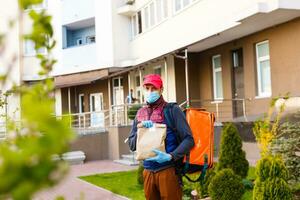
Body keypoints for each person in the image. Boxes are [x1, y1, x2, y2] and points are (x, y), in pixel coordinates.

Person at [128, 74, 194, 200]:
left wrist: (170, 156)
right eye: (147, 89)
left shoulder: (172, 110)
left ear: (161, 90)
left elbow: (189, 140)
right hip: (147, 172)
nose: (150, 92)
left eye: (153, 89)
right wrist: (140, 129)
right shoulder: (140, 113)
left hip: (167, 171)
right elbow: (131, 145)